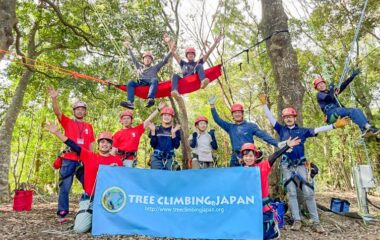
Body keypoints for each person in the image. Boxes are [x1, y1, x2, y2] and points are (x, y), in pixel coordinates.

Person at [259, 94, 350, 233]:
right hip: (286, 166)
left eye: (291, 116)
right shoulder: (281, 129)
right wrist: (264, 105)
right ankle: (297, 220)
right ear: (284, 119)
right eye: (286, 117)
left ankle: (316, 222)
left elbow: (318, 129)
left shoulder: (302, 131)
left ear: (295, 118)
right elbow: (271, 119)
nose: (289, 118)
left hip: (301, 166)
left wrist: (334, 126)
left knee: (308, 193)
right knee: (291, 193)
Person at [45, 123, 123, 233]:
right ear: (98, 144)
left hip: (109, 199)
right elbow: (72, 144)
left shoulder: (117, 161)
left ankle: (96, 217)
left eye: (108, 142)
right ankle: (88, 215)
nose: (105, 144)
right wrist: (57, 133)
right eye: (102, 142)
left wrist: (116, 171)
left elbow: (123, 181)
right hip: (89, 199)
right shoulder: (89, 156)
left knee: (111, 227)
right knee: (80, 228)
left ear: (111, 146)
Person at [48, 86, 95, 223]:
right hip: (69, 159)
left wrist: (91, 159)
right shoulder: (68, 122)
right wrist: (54, 98)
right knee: (65, 188)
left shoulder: (89, 126)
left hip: (84, 160)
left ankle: (91, 208)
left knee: (90, 185)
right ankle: (62, 213)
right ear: (74, 111)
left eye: (82, 109)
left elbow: (91, 143)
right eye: (78, 109)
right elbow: (57, 112)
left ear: (85, 112)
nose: (80, 111)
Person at [240, 137, 301, 240]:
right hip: (248, 206)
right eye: (245, 156)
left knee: (264, 235)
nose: (248, 158)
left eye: (250, 156)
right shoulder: (239, 172)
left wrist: (287, 146)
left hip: (263, 207)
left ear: (255, 157)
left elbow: (274, 156)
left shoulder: (261, 168)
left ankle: (273, 229)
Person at [208, 95, 282, 167]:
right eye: (235, 113)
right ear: (232, 115)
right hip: (235, 158)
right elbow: (217, 120)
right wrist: (212, 106)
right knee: (234, 178)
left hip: (248, 157)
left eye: (239, 112)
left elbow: (264, 135)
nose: (237, 114)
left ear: (242, 113)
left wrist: (277, 144)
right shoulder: (230, 127)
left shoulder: (250, 126)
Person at [313, 69, 379, 138]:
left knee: (357, 110)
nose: (321, 85)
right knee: (351, 111)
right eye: (318, 85)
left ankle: (366, 128)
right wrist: (332, 88)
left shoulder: (332, 92)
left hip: (337, 111)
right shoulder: (319, 95)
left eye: (322, 83)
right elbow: (329, 98)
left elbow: (342, 86)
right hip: (331, 114)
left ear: (324, 83)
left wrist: (352, 76)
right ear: (317, 88)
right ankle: (365, 128)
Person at [120, 35, 175, 109]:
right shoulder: (139, 67)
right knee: (130, 82)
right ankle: (130, 102)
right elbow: (133, 59)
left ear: (151, 61)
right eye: (146, 58)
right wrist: (129, 48)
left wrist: (170, 51)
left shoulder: (155, 68)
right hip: (140, 84)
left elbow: (164, 60)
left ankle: (150, 99)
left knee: (155, 80)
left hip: (150, 84)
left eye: (149, 58)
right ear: (143, 60)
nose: (147, 59)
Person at [112, 101, 167, 167]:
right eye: (124, 119)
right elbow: (113, 151)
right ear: (121, 121)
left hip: (131, 160)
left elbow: (148, 120)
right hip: (119, 160)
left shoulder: (137, 130)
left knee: (130, 177)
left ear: (132, 120)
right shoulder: (117, 134)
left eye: (128, 118)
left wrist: (158, 109)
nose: (126, 120)